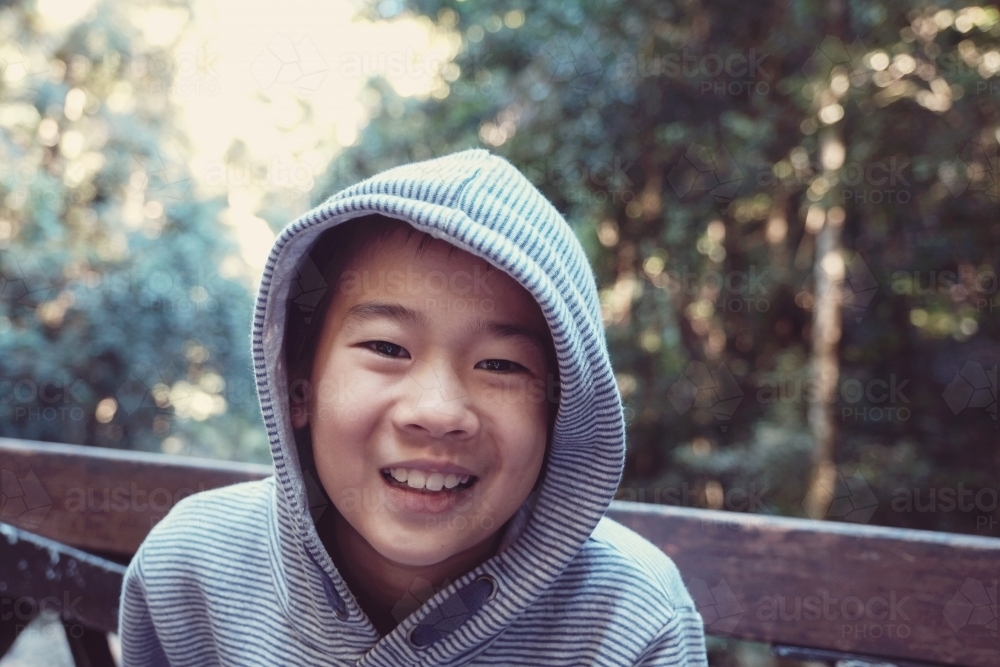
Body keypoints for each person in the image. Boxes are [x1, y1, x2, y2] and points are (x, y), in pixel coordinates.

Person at [118, 148, 708, 665]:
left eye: (501, 365)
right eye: (386, 347)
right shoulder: (190, 568)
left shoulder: (630, 621)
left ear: (560, 415)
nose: (438, 411)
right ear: (299, 387)